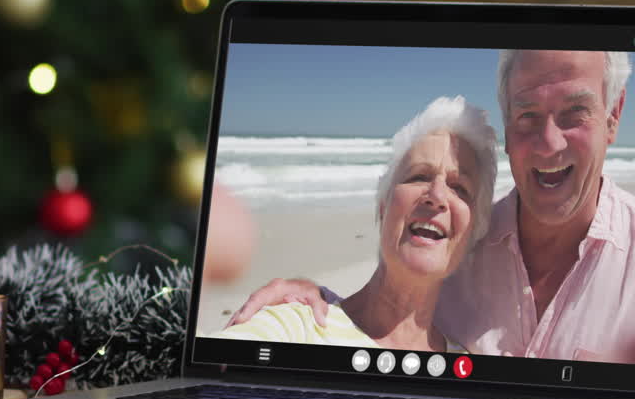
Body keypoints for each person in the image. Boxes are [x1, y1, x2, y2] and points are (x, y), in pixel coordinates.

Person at [228, 50, 635, 362]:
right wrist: (309, 298)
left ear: (613, 116)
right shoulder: (460, 245)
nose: (550, 142)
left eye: (574, 113)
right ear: (508, 124)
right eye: (527, 114)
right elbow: (376, 312)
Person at [212, 97, 497, 350]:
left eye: (460, 188)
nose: (436, 196)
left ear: (474, 231)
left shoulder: (465, 367)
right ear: (384, 207)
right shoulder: (299, 325)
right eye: (418, 176)